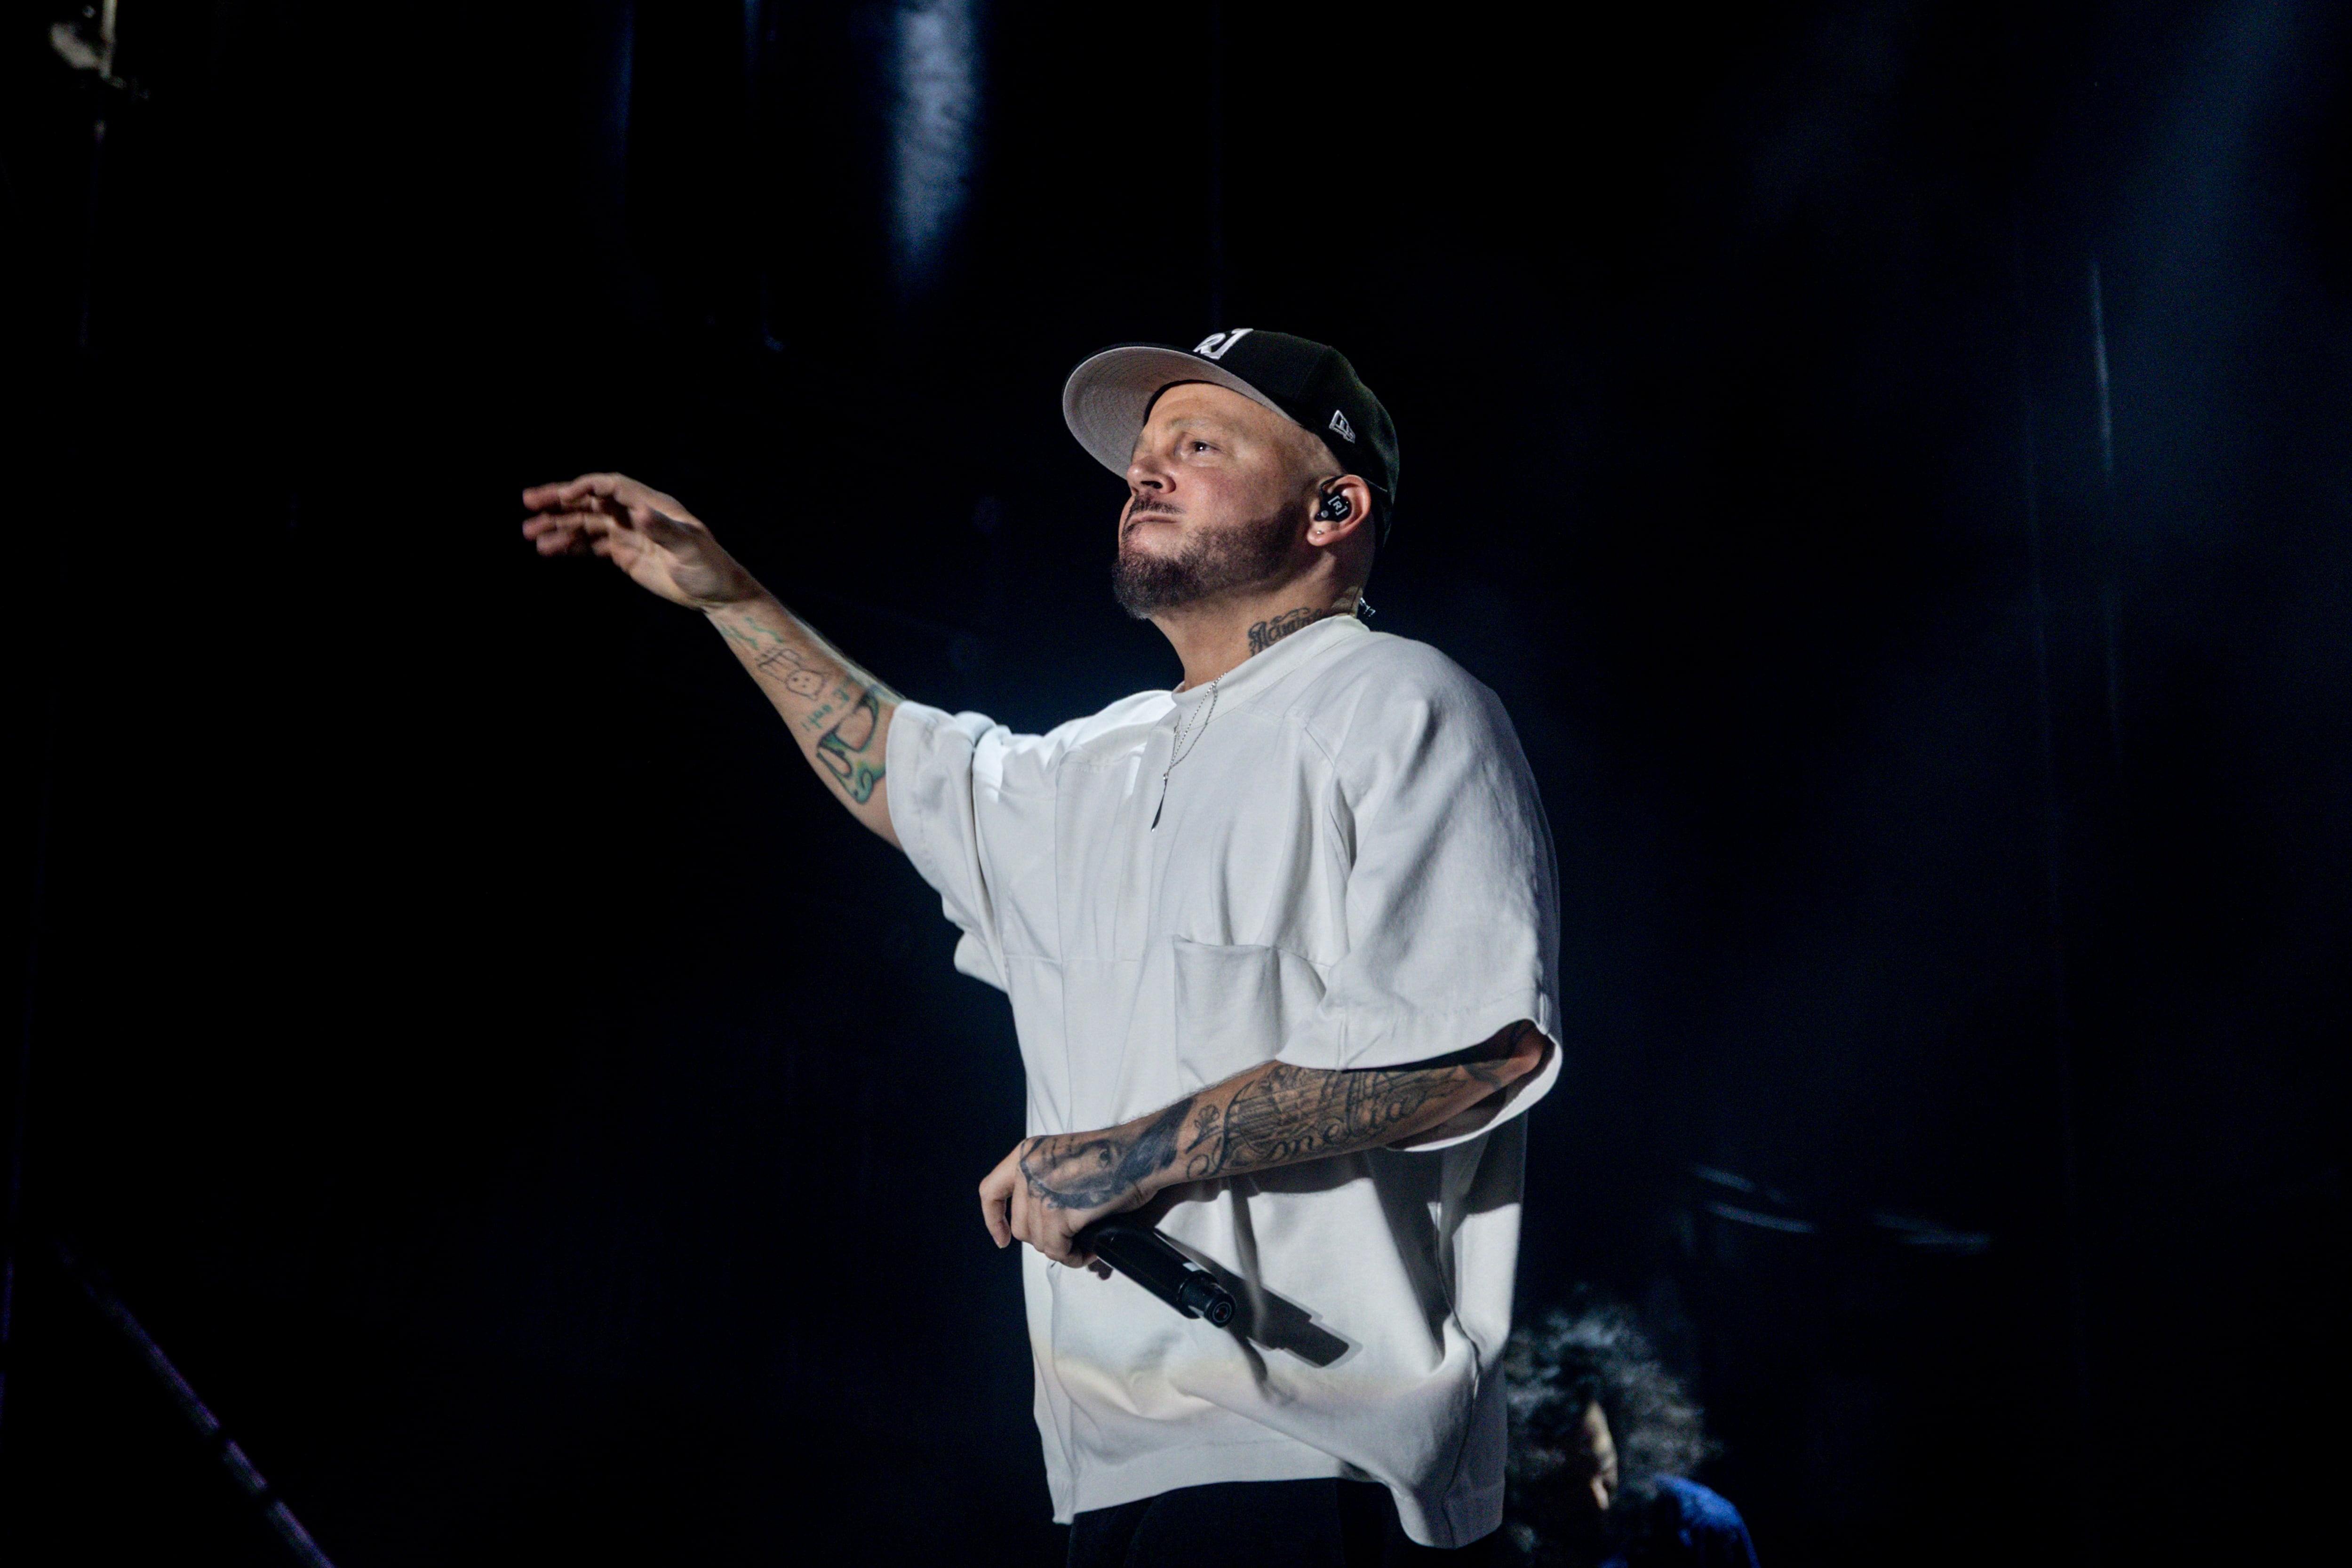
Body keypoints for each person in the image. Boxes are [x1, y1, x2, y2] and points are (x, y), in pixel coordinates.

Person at [522, 329, 1564, 1565]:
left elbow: (1475, 1050)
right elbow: (900, 768)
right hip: (1106, 1467)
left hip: (1319, 1459)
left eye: (1198, 444)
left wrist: (1130, 1156)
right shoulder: (1090, 761)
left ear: (1333, 508)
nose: (1145, 471)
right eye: (1140, 454)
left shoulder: (1403, 701)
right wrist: (729, 596)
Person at [1501, 1304, 1758, 1568]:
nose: (1600, 1502)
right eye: (1568, 1485)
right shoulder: (1507, 1546)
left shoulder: (1700, 1527)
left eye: (1605, 1469)